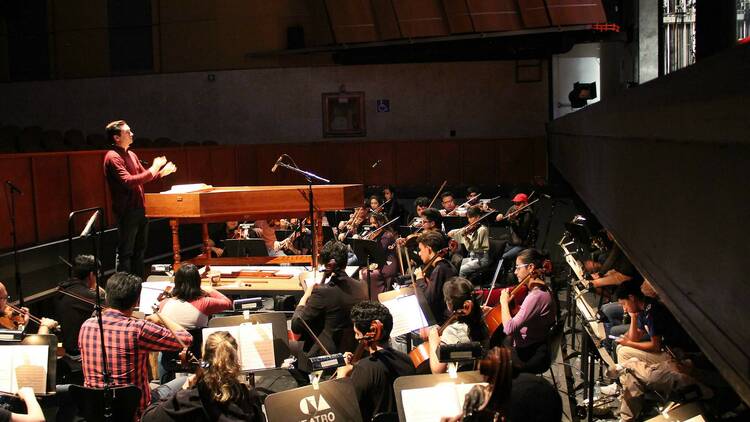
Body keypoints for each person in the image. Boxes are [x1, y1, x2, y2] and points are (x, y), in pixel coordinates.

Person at [79, 272, 192, 413]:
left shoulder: (86, 325)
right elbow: (186, 339)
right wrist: (160, 318)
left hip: (96, 409)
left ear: (107, 297)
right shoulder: (138, 328)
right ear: (136, 302)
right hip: (136, 411)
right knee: (187, 380)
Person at [104, 120, 176, 277]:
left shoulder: (131, 154)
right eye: (127, 132)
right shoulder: (112, 157)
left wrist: (162, 172)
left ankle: (137, 285)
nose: (132, 134)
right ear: (116, 137)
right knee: (125, 252)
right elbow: (128, 181)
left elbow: (144, 177)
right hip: (127, 211)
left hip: (141, 209)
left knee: (139, 250)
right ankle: (123, 288)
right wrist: (154, 168)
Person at [142, 331, 266, 422]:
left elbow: (147, 418)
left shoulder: (190, 398)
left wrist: (182, 391)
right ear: (234, 359)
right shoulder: (249, 395)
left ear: (204, 355)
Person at [334, 301, 415, 422]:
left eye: (357, 333)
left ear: (371, 333)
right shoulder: (407, 360)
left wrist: (342, 376)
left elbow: (344, 410)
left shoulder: (363, 369)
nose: (356, 338)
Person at [291, 241, 368, 359]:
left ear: (329, 265)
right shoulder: (362, 285)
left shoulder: (322, 292)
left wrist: (306, 295)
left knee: (291, 348)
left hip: (329, 355)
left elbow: (297, 326)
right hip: (355, 350)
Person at [498, 249, 556, 374]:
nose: (515, 272)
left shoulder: (536, 296)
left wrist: (503, 302)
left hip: (531, 353)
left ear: (530, 267)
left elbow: (509, 328)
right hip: (535, 344)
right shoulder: (541, 288)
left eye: (518, 267)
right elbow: (531, 317)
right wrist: (512, 307)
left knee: (493, 356)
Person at [428, 277, 488, 374]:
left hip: (460, 381)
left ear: (449, 304)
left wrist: (433, 340)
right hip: (480, 375)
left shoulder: (452, 331)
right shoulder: (482, 321)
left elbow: (437, 370)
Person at [612, 279, 671, 365]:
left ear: (631, 298)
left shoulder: (652, 311)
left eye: (624, 304)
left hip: (669, 353)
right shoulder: (641, 309)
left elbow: (656, 346)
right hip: (662, 350)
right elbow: (634, 338)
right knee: (621, 347)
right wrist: (633, 317)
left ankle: (628, 377)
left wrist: (628, 343)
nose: (624, 309)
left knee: (623, 352)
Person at [158, 263, 232, 329]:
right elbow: (228, 303)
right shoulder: (205, 303)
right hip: (196, 343)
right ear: (198, 281)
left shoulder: (164, 303)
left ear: (176, 281)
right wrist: (210, 290)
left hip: (171, 343)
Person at [54, 254, 101, 356]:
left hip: (67, 344)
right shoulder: (88, 295)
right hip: (79, 350)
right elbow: (112, 309)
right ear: (91, 275)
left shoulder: (64, 288)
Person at [414, 230, 457, 324]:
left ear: (429, 249)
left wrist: (420, 279)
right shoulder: (445, 265)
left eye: (421, 249)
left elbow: (428, 300)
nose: (419, 253)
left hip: (442, 321)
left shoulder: (440, 269)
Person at [360, 212, 398, 299]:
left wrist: (369, 242)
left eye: (375, 223)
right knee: (364, 272)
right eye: (371, 223)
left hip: (387, 261)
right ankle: (369, 296)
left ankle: (378, 297)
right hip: (377, 260)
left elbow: (379, 251)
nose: (372, 225)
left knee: (370, 274)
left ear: (381, 223)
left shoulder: (387, 235)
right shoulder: (372, 233)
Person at [448, 205, 490, 280]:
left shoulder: (482, 230)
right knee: (455, 266)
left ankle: (462, 288)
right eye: (468, 218)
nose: (469, 220)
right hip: (472, 258)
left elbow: (474, 248)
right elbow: (460, 231)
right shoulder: (471, 228)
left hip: (481, 259)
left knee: (462, 270)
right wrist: (453, 232)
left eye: (471, 217)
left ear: (477, 217)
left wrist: (466, 238)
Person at [495, 193, 536, 268]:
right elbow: (505, 222)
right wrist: (499, 217)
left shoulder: (528, 214)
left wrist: (513, 221)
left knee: (504, 257)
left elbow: (522, 233)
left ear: (525, 203)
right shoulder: (513, 208)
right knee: (496, 253)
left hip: (521, 244)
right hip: (511, 242)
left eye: (518, 203)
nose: (516, 206)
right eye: (515, 203)